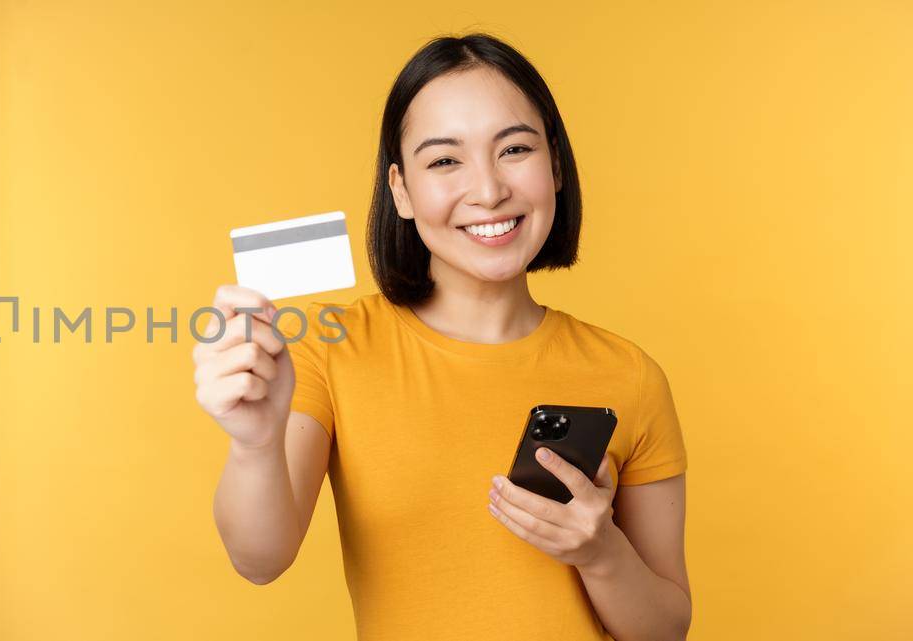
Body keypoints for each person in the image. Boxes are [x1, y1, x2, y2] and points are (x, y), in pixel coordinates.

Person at [193, 33, 690, 641]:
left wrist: (601, 552)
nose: (488, 190)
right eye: (445, 160)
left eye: (514, 149)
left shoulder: (629, 374)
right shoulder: (329, 349)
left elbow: (665, 630)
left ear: (555, 166)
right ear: (401, 191)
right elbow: (259, 560)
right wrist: (253, 444)